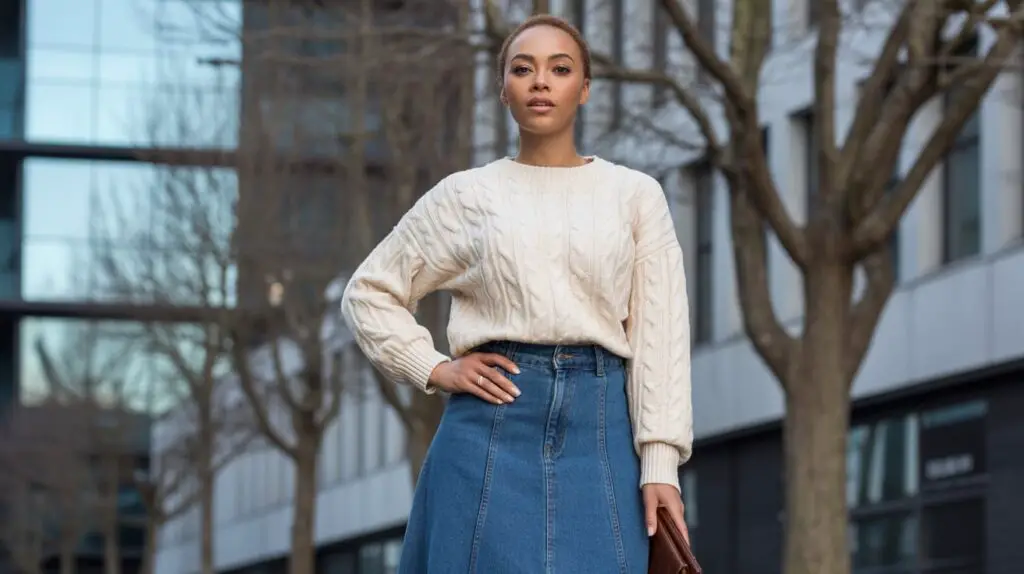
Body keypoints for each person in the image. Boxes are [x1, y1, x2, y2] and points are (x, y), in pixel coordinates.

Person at [341, 14, 692, 574]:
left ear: (585, 89)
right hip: (488, 426)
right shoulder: (466, 197)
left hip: (600, 433)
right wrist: (433, 368)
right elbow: (368, 293)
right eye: (522, 69)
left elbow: (661, 337)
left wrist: (660, 466)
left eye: (560, 68)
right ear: (503, 89)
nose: (540, 82)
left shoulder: (635, 196)